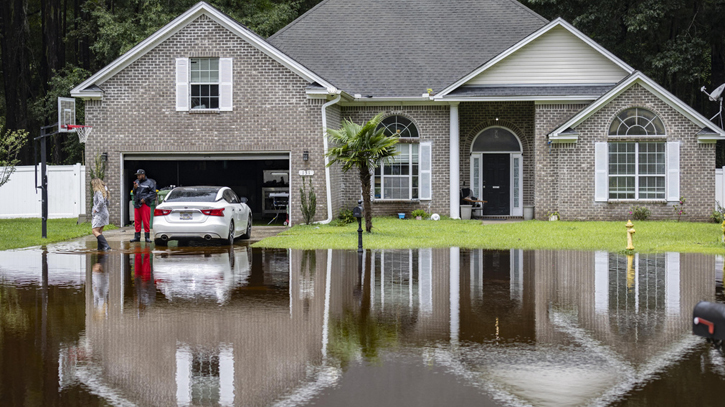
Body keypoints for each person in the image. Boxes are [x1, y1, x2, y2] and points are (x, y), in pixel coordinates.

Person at [130, 169, 156, 243]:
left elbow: (153, 193)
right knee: (137, 221)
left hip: (145, 204)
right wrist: (134, 189)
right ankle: (137, 237)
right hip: (137, 204)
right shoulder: (136, 182)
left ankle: (147, 237)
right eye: (137, 175)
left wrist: (145, 199)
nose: (138, 177)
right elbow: (134, 192)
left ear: (143, 175)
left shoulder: (149, 183)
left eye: (139, 175)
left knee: (145, 221)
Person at [91, 178, 111, 250]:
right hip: (105, 212)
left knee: (94, 231)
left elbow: (101, 202)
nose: (92, 186)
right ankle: (100, 248)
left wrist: (96, 209)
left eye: (93, 184)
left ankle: (106, 246)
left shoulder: (98, 191)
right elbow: (108, 203)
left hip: (100, 213)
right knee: (99, 231)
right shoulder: (104, 191)